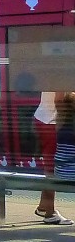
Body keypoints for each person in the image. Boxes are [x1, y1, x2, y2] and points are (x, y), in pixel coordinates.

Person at [35, 91, 75, 225]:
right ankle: (50, 213)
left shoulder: (53, 70)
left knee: (51, 166)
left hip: (45, 117)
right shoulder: (62, 70)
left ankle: (43, 206)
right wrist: (63, 124)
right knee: (52, 168)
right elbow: (59, 100)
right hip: (51, 121)